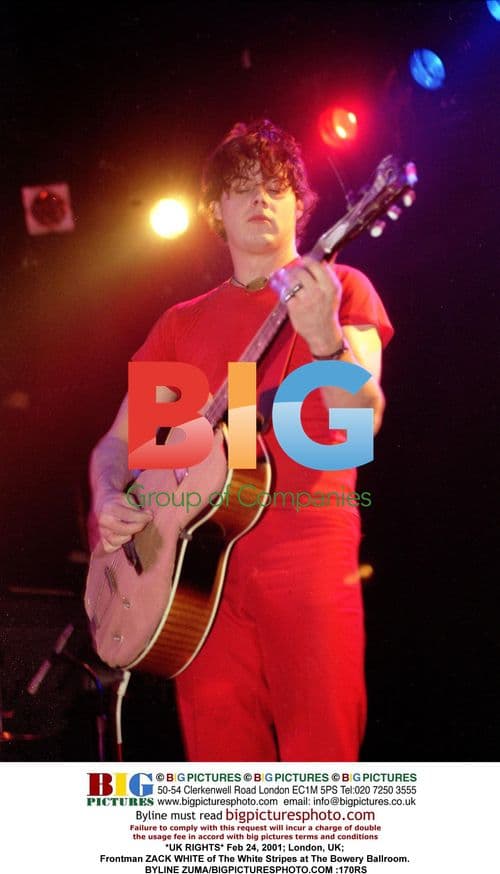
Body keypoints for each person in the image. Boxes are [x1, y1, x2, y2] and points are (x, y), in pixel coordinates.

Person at [89, 118, 394, 762]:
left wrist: (324, 340)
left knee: (323, 769)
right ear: (216, 211)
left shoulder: (342, 291)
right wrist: (107, 495)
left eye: (277, 188)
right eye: (243, 187)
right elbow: (117, 445)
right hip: (193, 583)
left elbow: (362, 421)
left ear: (300, 209)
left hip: (306, 551)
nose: (261, 198)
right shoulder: (181, 324)